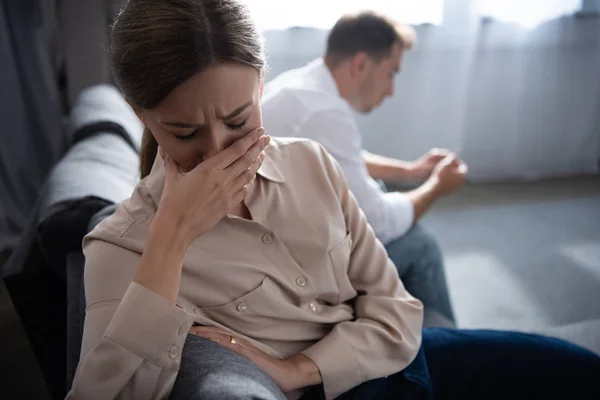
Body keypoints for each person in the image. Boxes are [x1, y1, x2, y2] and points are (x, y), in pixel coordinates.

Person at [68, 1, 600, 399]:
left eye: (238, 122)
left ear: (260, 88)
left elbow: (397, 313)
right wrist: (172, 237)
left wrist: (302, 369)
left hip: (408, 360)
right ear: (144, 117)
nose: (216, 155)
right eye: (184, 133)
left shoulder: (310, 162)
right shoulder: (123, 246)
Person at [262, 12, 463, 326]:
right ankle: (450, 350)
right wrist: (436, 187)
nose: (391, 90)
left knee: (398, 217)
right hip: (293, 271)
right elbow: (379, 222)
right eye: (392, 73)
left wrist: (411, 171)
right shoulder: (325, 112)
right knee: (421, 244)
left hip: (274, 242)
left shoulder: (300, 86)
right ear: (360, 64)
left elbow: (342, 157)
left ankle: (409, 327)